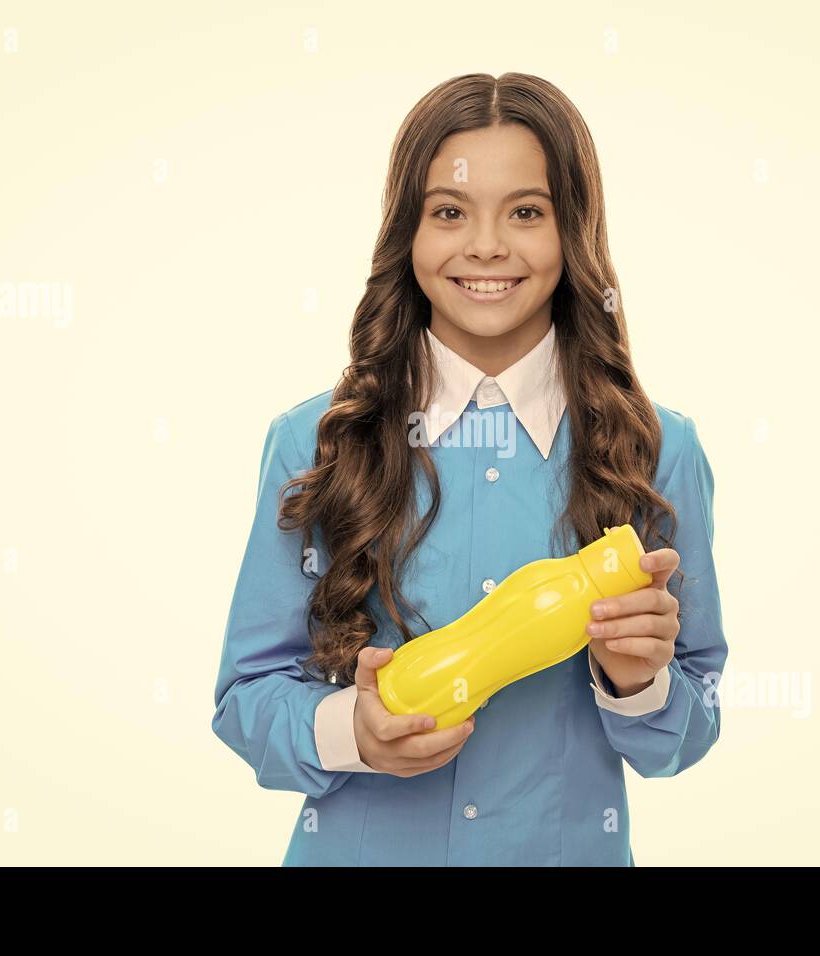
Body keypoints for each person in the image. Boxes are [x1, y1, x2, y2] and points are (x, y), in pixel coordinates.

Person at [211, 72, 727, 866]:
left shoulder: (657, 451)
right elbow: (246, 699)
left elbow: (684, 735)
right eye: (449, 212)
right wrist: (353, 731)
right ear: (406, 235)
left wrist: (639, 682)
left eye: (527, 212)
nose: (487, 246)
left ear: (573, 233)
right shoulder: (314, 441)